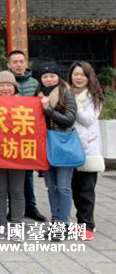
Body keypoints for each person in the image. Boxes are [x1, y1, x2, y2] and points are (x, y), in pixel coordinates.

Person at [37, 63, 77, 241]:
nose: (49, 79)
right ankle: (56, 222)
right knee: (51, 187)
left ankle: (64, 224)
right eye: (45, 76)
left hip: (62, 143)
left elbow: (69, 119)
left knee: (63, 187)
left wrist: (48, 109)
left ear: (58, 77)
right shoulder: (38, 95)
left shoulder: (66, 93)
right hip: (45, 145)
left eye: (52, 76)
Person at [7, 50, 47, 223]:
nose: (18, 65)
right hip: (8, 135)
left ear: (26, 63)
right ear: (9, 65)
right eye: (14, 62)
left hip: (29, 135)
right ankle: (13, 208)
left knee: (28, 173)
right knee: (10, 174)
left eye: (21, 61)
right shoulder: (5, 82)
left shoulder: (35, 83)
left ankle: (30, 206)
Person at [68, 61, 104, 241]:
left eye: (83, 74)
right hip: (69, 148)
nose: (79, 77)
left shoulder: (94, 96)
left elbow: (88, 119)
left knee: (86, 190)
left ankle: (87, 225)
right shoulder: (66, 93)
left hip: (88, 149)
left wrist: (71, 104)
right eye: (76, 74)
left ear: (89, 77)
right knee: (74, 189)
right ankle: (81, 221)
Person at [0, 71, 26, 241]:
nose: (5, 88)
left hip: (18, 153)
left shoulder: (25, 104)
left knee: (17, 190)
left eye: (9, 85)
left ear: (15, 87)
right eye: (2, 85)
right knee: (0, 190)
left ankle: (16, 224)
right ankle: (1, 224)